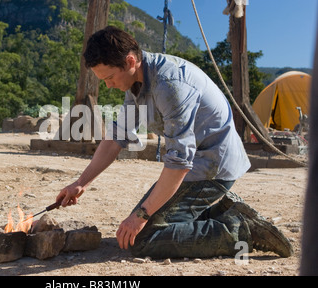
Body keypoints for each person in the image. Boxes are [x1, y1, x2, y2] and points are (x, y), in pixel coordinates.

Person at [55, 26, 293, 259]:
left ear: (129, 61)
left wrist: (141, 215)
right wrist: (80, 183)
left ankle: (241, 229)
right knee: (141, 226)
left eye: (108, 78)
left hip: (213, 167)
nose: (108, 85)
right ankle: (223, 212)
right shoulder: (135, 80)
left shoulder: (169, 85)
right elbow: (117, 136)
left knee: (141, 239)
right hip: (195, 165)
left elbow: (179, 163)